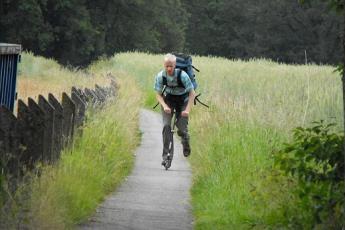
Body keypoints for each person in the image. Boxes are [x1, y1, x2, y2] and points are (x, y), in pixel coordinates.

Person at [154, 53, 195, 166]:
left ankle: (185, 139)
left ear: (175, 65)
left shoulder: (183, 76)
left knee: (181, 129)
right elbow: (158, 94)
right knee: (166, 126)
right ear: (164, 65)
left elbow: (192, 93)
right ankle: (165, 156)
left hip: (183, 101)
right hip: (169, 101)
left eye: (171, 66)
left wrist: (187, 110)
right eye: (167, 66)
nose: (169, 68)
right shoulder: (160, 76)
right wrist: (165, 106)